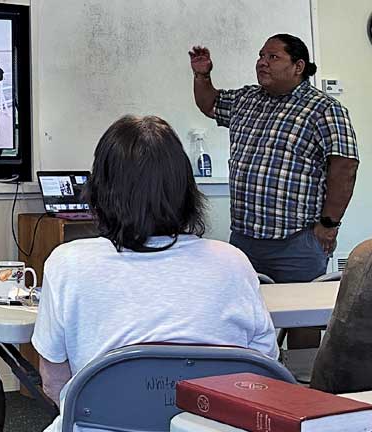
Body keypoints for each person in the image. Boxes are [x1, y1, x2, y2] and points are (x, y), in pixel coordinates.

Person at [31, 115, 278, 431]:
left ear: (99, 189)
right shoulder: (233, 262)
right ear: (186, 189)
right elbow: (263, 373)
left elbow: (54, 383)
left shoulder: (68, 262)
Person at [189, 34, 359, 348]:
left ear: (298, 66)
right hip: (245, 239)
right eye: (261, 56)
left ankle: (301, 387)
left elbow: (344, 165)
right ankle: (255, 381)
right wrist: (202, 74)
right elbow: (209, 103)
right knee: (243, 316)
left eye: (273, 57)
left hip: (296, 241)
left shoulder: (324, 109)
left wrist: (329, 224)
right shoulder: (246, 100)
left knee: (302, 318)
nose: (262, 62)